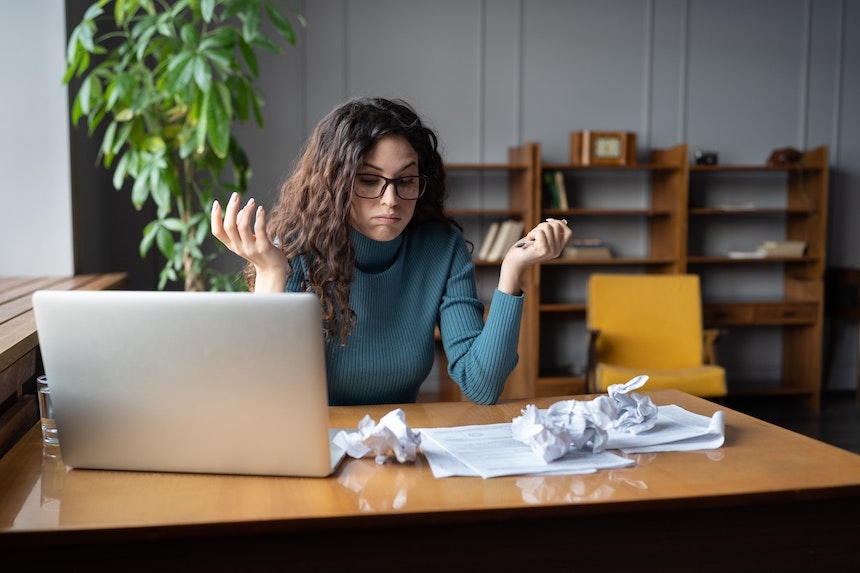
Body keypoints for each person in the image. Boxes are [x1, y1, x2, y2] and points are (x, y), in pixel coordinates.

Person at [211, 97, 571, 406]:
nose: (391, 200)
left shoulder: (441, 249)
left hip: (399, 448)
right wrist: (273, 274)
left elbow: (481, 385)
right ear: (336, 183)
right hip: (318, 447)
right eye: (369, 180)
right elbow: (267, 396)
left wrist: (512, 272)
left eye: (405, 181)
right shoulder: (298, 252)